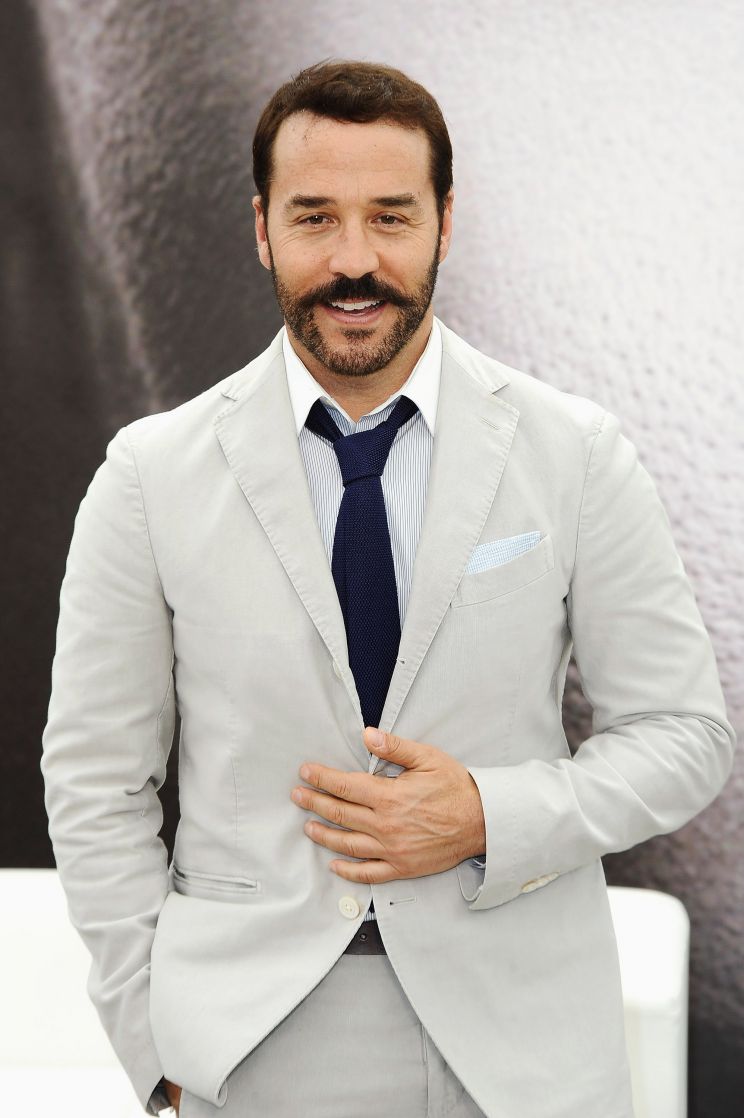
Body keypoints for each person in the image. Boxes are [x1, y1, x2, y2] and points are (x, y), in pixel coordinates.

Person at [41, 60, 736, 1118]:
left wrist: (485, 815)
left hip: (528, 1048)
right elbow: (95, 779)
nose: (354, 260)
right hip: (254, 1045)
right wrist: (157, 1040)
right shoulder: (149, 475)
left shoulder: (578, 452)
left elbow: (684, 734)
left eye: (392, 216)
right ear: (262, 227)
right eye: (315, 216)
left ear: (447, 222)